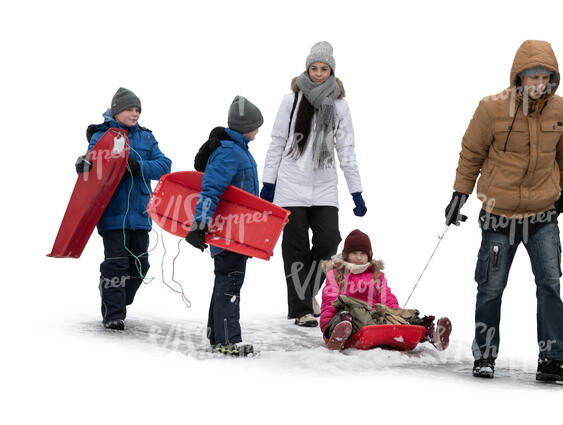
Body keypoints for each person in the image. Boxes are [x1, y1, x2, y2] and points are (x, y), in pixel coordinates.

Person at [445, 40, 563, 382]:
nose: (537, 84)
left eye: (544, 77)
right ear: (518, 77)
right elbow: (471, 152)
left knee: (550, 285)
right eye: (531, 77)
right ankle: (485, 357)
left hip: (542, 216)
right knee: (490, 289)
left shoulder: (560, 109)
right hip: (498, 216)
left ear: (552, 78)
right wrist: (459, 194)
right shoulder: (491, 108)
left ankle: (551, 359)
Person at [261, 41, 366, 327]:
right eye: (314, 68)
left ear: (332, 71)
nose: (319, 74)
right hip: (290, 185)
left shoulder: (340, 105)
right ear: (307, 69)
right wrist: (268, 184)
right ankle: (301, 309)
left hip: (324, 185)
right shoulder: (291, 100)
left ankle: (305, 293)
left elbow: (346, 149)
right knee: (294, 247)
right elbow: (277, 142)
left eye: (324, 69)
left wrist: (356, 191)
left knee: (329, 241)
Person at [76, 87, 172, 330]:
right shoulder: (103, 135)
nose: (135, 113)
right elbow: (90, 163)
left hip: (140, 213)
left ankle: (117, 296)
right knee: (116, 263)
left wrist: (138, 165)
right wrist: (82, 164)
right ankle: (113, 314)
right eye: (130, 109)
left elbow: (164, 165)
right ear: (117, 111)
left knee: (140, 265)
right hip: (111, 212)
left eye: (138, 109)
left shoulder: (147, 138)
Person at [185, 96, 263, 356]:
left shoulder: (238, 150)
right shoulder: (229, 152)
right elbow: (210, 190)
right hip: (228, 231)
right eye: (256, 125)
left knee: (225, 282)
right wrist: (199, 224)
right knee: (230, 283)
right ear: (245, 126)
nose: (258, 130)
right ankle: (228, 340)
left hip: (240, 230)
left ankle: (216, 334)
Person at [320, 230, 452, 351]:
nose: (359, 258)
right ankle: (338, 335)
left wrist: (398, 316)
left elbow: (387, 299)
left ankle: (431, 334)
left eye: (363, 254)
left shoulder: (376, 275)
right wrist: (327, 328)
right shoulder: (336, 274)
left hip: (374, 319)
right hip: (350, 318)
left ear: (369, 255)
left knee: (404, 316)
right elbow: (329, 302)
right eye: (354, 253)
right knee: (346, 314)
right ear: (346, 255)